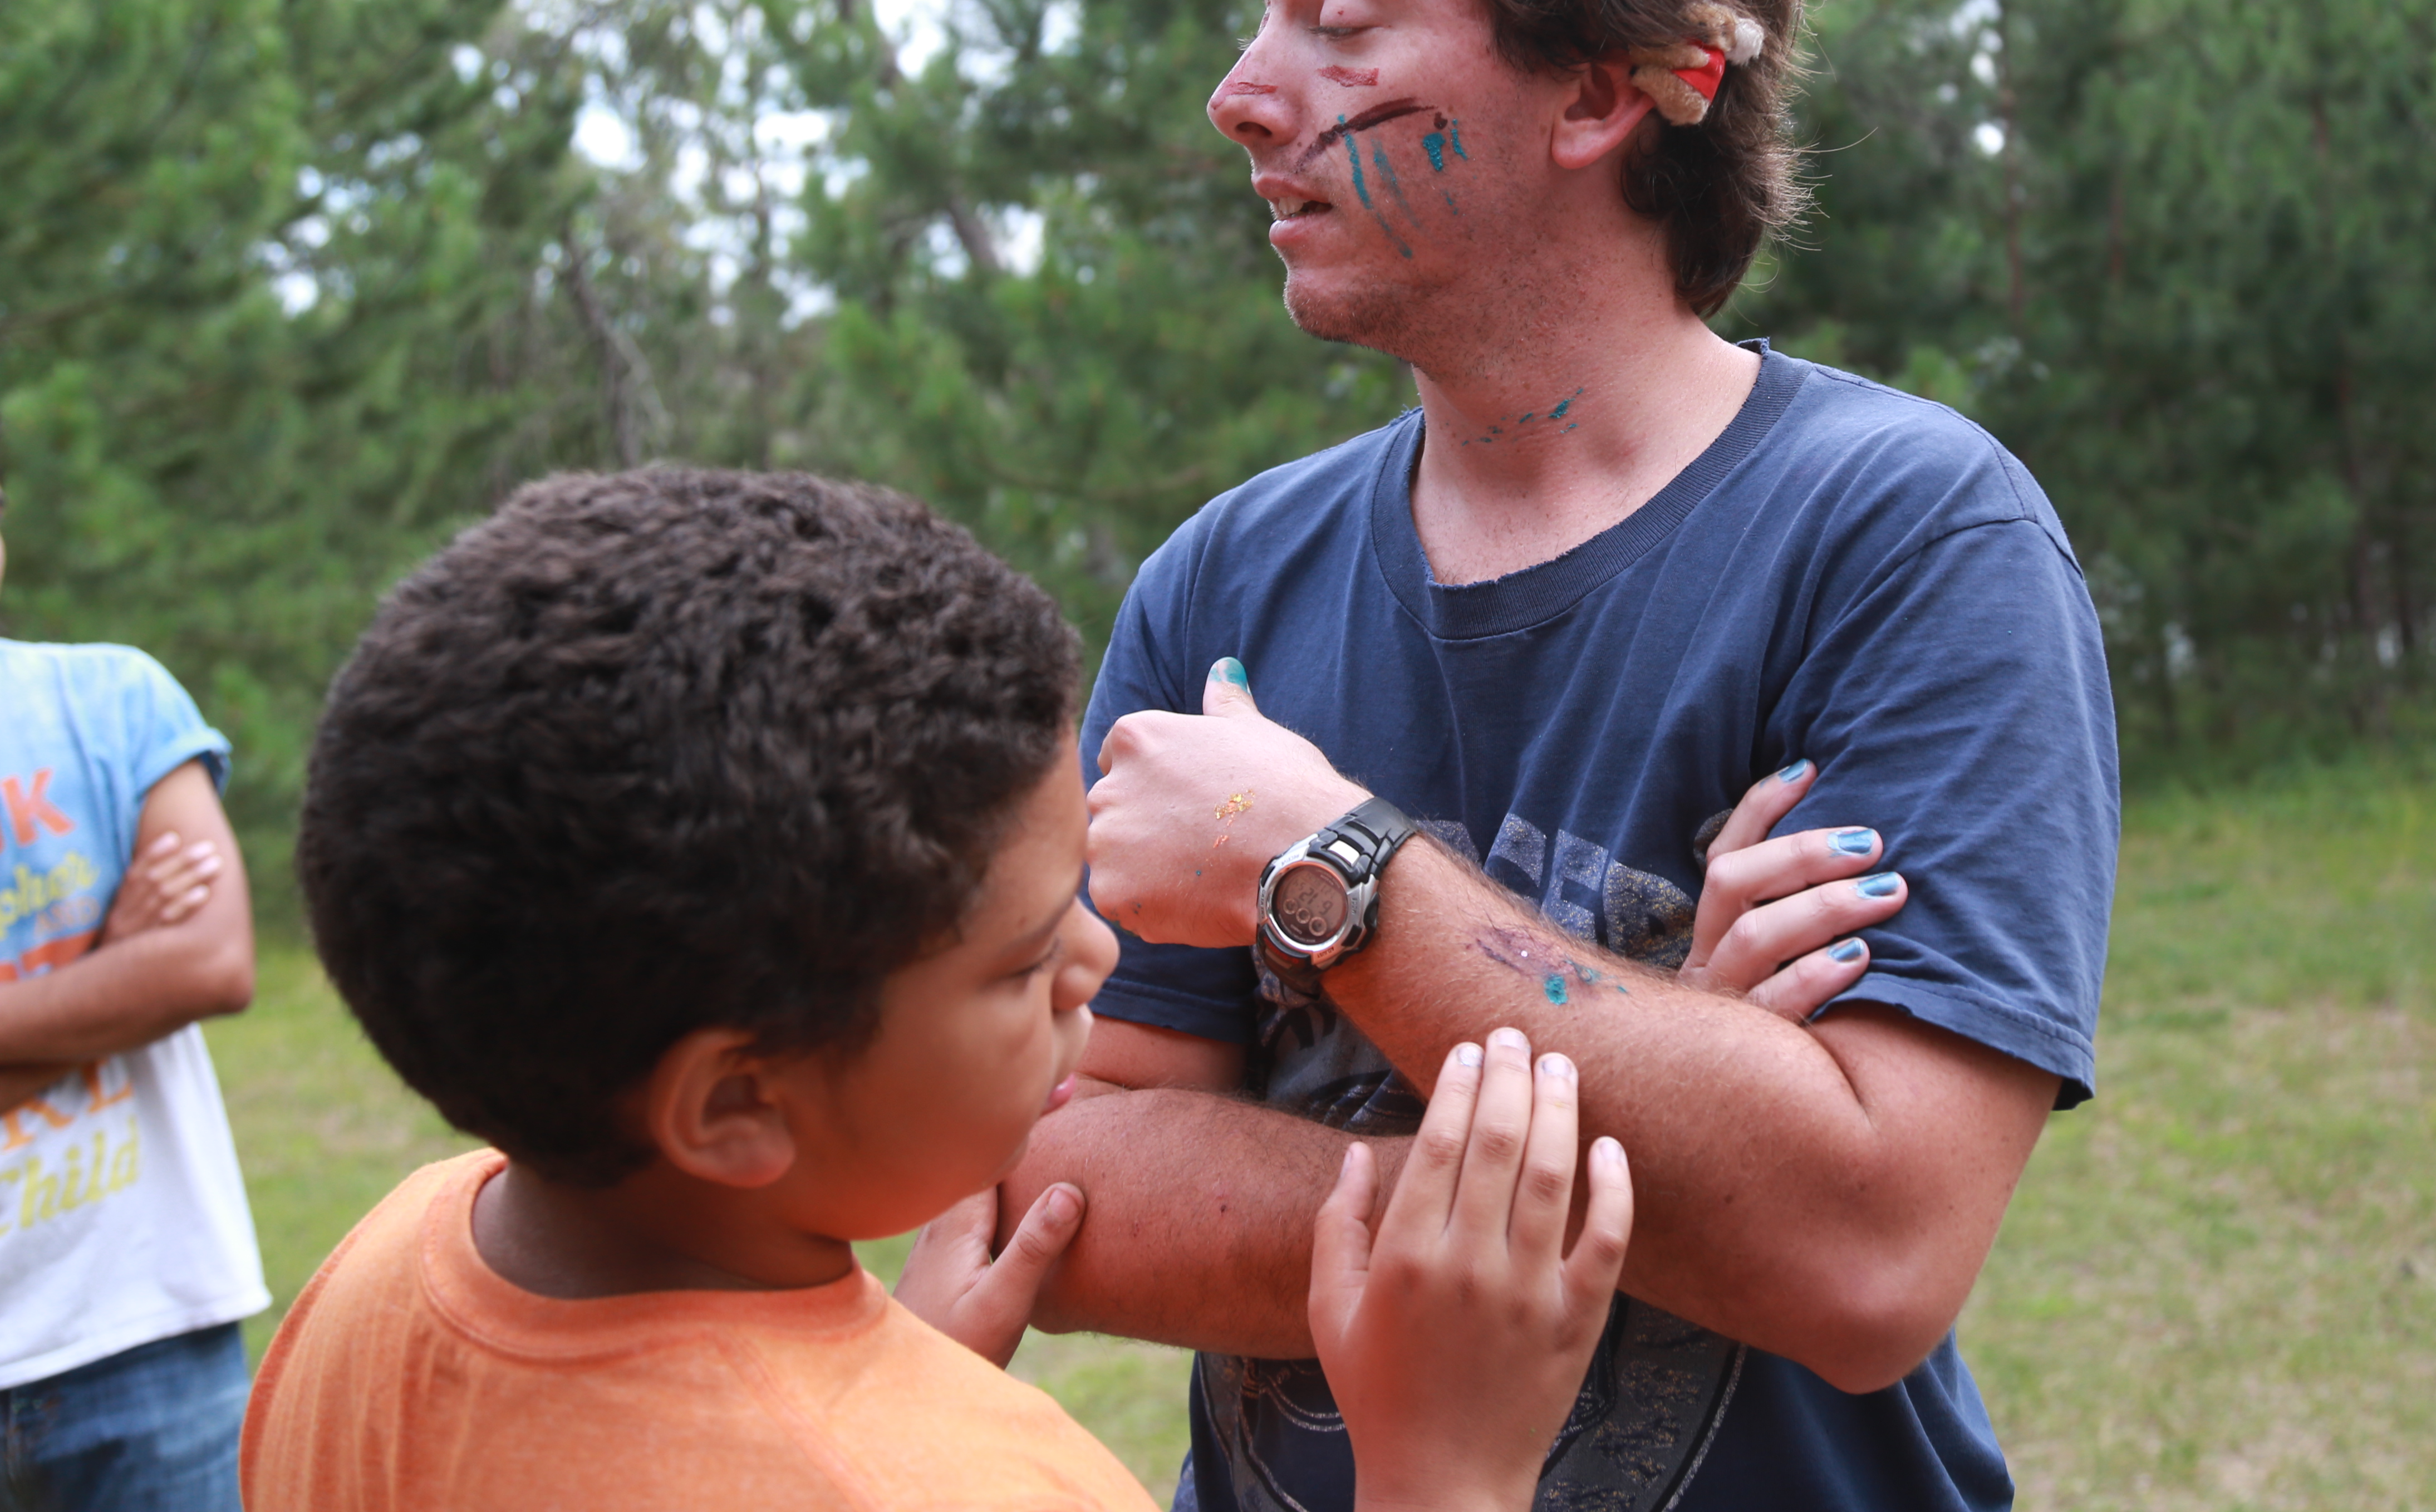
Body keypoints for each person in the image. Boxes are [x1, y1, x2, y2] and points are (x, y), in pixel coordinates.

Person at [1003, 0, 2124, 1512]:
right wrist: (1683, 1099)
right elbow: (1051, 1193)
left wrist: (1327, 867)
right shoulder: (1227, 579)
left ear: (1606, 85)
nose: (1241, 95)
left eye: (1338, 19)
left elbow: (1866, 1254)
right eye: (1262, 15)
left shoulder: (1910, 539)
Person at [246, 467, 1636, 1512]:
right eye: (1022, 962)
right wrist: (1441, 1479)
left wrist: (886, 1380)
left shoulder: (384, 1276)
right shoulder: (986, 1486)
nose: (1098, 959)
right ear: (734, 1104)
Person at [0, 485, 269, 1512]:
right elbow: (162, 974)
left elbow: (211, 964)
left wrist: (147, 967)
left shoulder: (112, 700)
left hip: (146, 1332)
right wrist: (113, 964)